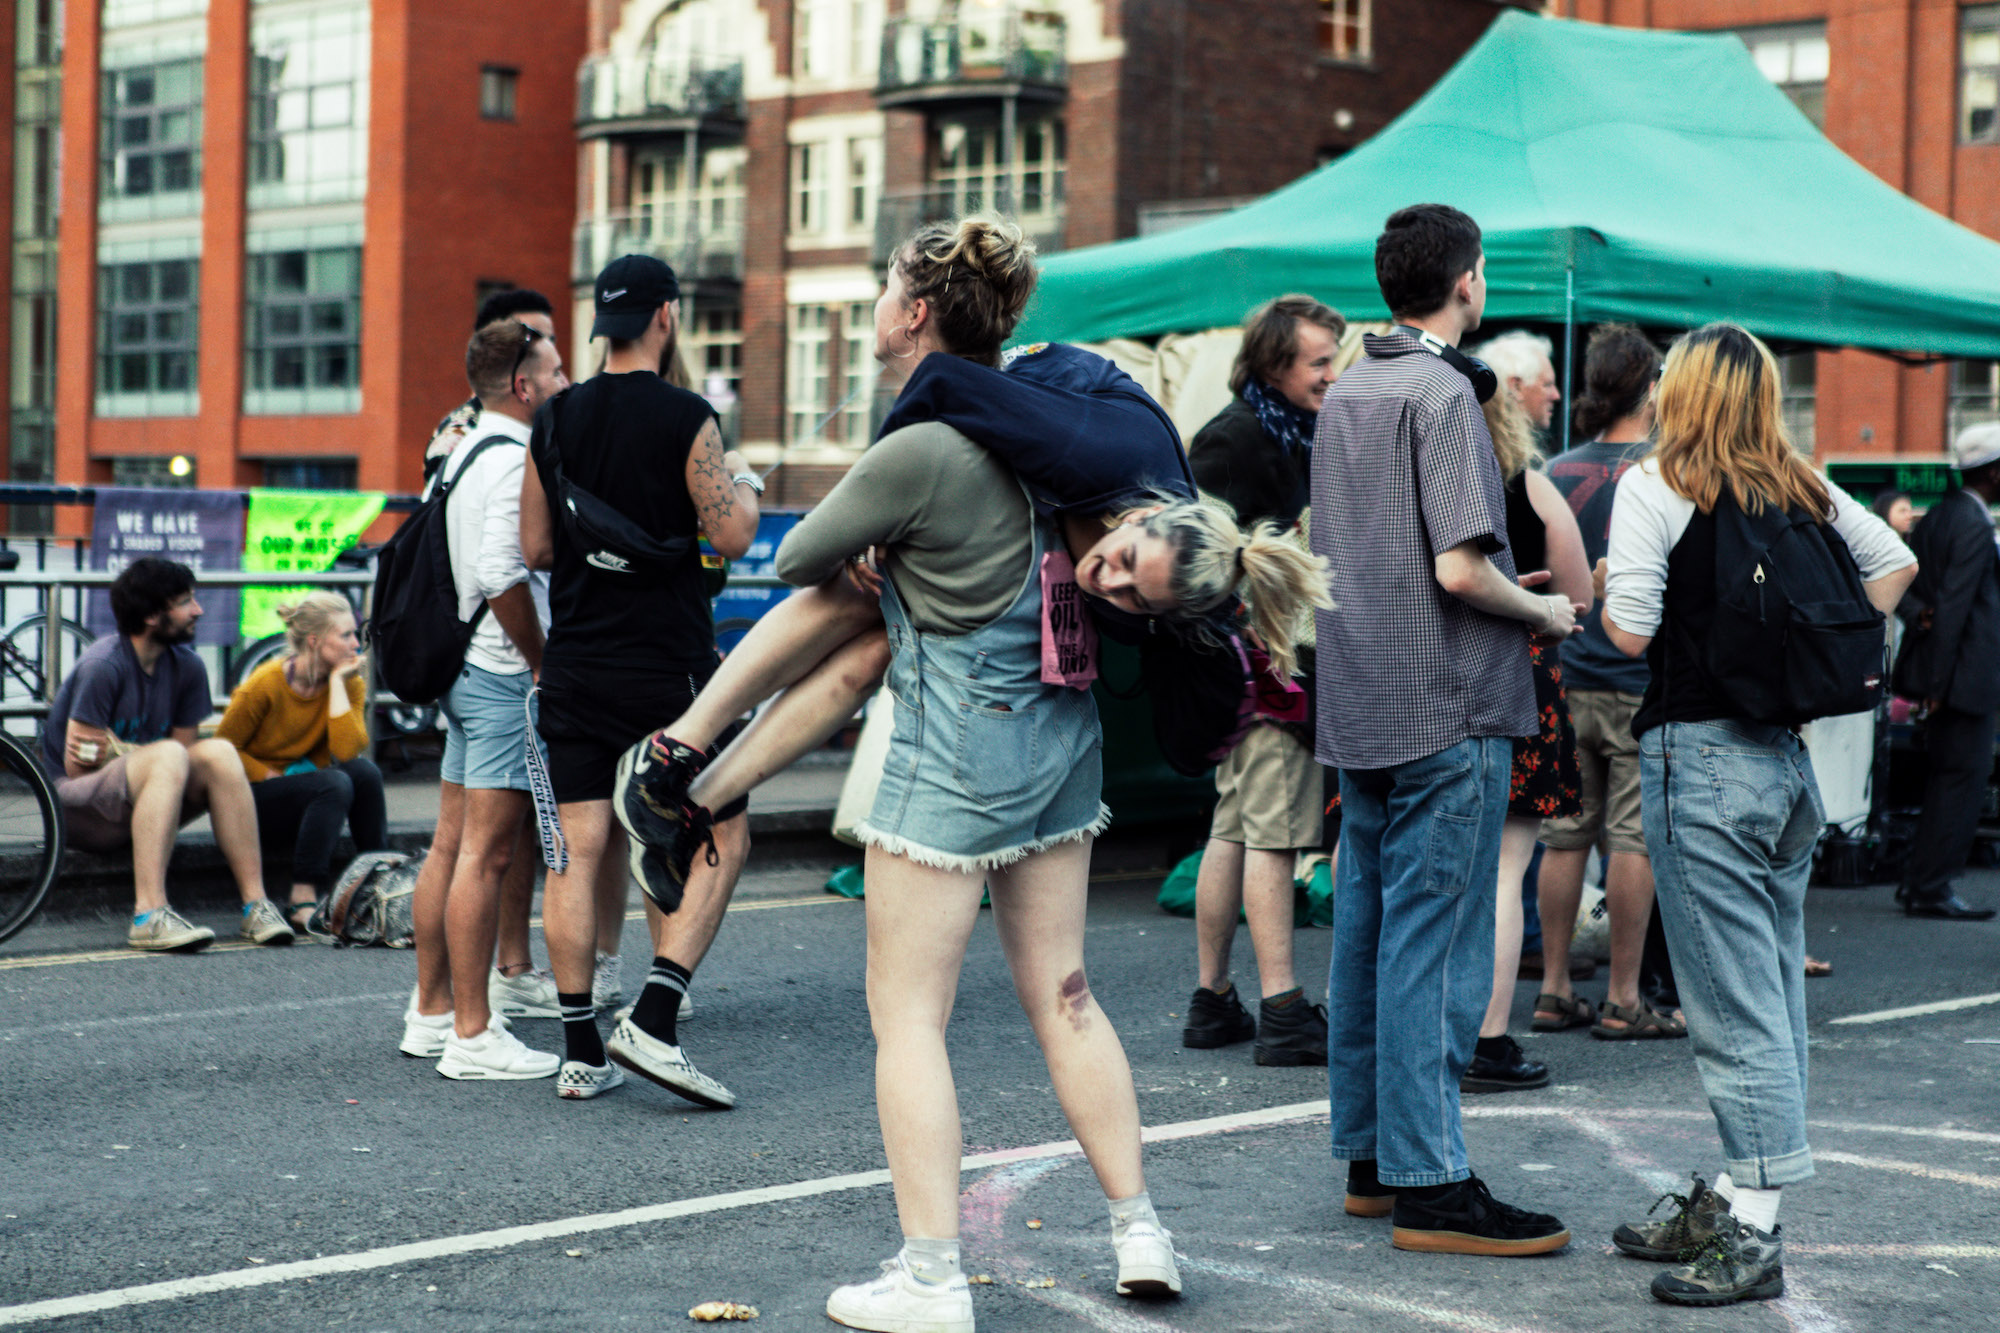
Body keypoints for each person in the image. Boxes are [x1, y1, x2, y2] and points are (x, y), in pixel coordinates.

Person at [802, 215, 1328, 1333]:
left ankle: (932, 1275)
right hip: (1058, 749)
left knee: (906, 1015)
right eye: (1123, 571)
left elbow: (947, 387)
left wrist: (872, 494)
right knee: (1066, 994)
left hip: (966, 746)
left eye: (1126, 582)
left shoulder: (1083, 449)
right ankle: (1141, 1228)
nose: (1110, 581)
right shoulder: (1155, 495)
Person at [1601, 322, 1916, 1305]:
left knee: (1734, 1013)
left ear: (1679, 390)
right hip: (1782, 771)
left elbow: (1629, 630)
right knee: (1767, 1000)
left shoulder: (1653, 485)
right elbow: (1894, 568)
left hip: (1695, 763)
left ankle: (1753, 1223)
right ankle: (1736, 1187)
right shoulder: (1797, 484)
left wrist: (1595, 593)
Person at [1312, 203, 1578, 1256]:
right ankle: (1430, 1178)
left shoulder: (1350, 387)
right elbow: (1460, 568)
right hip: (1446, 702)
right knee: (1439, 945)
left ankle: (1376, 1157)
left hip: (1365, 696)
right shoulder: (1442, 391)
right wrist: (1543, 610)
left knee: (1370, 939)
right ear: (1468, 279)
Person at [519, 253, 761, 1104]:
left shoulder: (554, 419)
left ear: (601, 324)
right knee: (719, 833)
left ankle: (580, 1049)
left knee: (578, 851)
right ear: (667, 315)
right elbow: (732, 537)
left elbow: (538, 549)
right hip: (672, 674)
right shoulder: (690, 415)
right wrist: (738, 484)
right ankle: (656, 1013)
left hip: (579, 662)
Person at [400, 319, 575, 1079]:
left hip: (463, 670)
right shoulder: (512, 461)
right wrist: (541, 662)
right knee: (488, 852)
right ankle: (475, 1035)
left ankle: (431, 1011)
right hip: (503, 673)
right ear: (525, 384)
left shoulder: (464, 447)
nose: (566, 382)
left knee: (449, 845)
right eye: (558, 371)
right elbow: (505, 573)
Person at [1181, 293, 1345, 1065]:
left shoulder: (1290, 431)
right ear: (1275, 364)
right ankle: (1282, 1008)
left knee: (1235, 828)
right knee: (1273, 837)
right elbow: (1197, 558)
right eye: (1319, 361)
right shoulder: (1233, 439)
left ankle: (1213, 999)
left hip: (1255, 669)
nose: (1332, 373)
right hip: (1265, 671)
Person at [1535, 324, 1687, 1036]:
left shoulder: (1556, 469)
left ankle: (1556, 985)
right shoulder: (1668, 470)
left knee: (1564, 836)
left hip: (1564, 673)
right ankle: (1625, 995)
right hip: (1637, 675)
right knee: (1631, 838)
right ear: (1650, 386)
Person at [44, 557, 287, 949]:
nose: (198, 610)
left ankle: (256, 905)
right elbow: (77, 766)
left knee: (220, 753)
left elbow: (187, 758)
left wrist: (123, 752)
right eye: (186, 601)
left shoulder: (188, 668)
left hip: (144, 799)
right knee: (168, 756)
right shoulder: (104, 664)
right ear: (154, 614)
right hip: (78, 811)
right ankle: (149, 914)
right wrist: (145, 758)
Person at [1463, 384, 1594, 1094]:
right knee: (1504, 870)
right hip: (1521, 684)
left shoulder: (1411, 481)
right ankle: (1487, 1039)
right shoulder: (1532, 490)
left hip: (1423, 686)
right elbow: (1578, 601)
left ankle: (1420, 1032)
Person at [215, 592, 387, 935]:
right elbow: (222, 750)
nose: (356, 644)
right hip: (253, 802)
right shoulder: (264, 684)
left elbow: (348, 749)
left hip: (311, 795)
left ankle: (379, 881)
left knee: (364, 773)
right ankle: (302, 895)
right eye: (346, 635)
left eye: (356, 634)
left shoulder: (347, 681)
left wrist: (339, 683)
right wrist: (271, 774)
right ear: (315, 640)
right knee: (334, 783)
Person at [1890, 423, 2000, 921]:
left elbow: (1903, 579)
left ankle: (1919, 883)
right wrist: (1937, 687)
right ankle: (1932, 887)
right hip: (1961, 679)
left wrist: (1917, 615)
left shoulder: (1935, 517)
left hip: (1942, 675)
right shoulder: (1975, 525)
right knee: (1962, 782)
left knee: (1943, 781)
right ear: (1994, 474)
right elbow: (1956, 608)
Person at [424, 289, 558, 483]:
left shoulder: (539, 420)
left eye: (550, 340)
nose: (547, 348)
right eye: (533, 338)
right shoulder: (460, 435)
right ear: (494, 346)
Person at [1475, 330, 1561, 436]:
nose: (1556, 396)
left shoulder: (1477, 437)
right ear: (1516, 387)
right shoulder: (1496, 449)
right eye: (1547, 385)